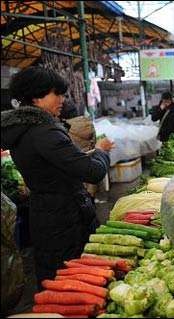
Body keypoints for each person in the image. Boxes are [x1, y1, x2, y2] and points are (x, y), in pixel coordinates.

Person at [1, 66, 114, 288]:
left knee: (56, 277)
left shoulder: (22, 129)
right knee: (71, 280)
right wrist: (100, 151)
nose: (63, 99)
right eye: (57, 93)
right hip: (65, 218)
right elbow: (93, 172)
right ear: (36, 96)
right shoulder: (44, 132)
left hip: (46, 214)